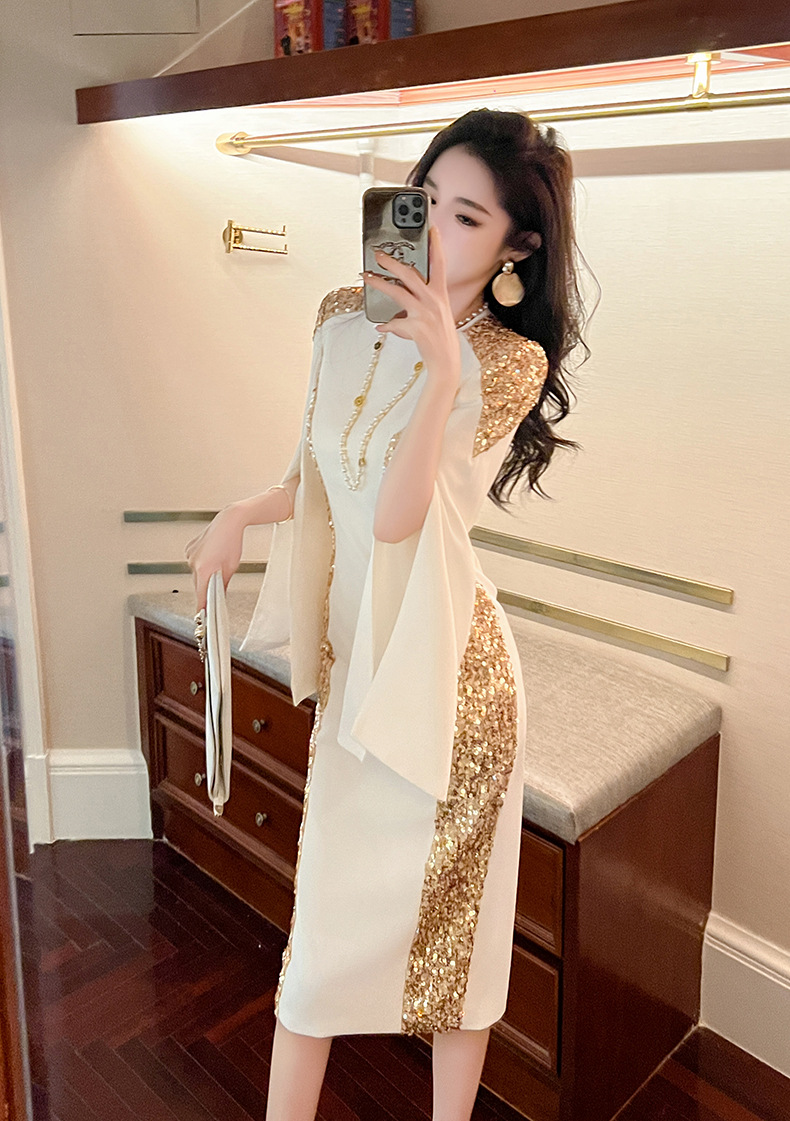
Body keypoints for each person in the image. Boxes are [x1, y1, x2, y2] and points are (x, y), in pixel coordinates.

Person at [185, 108, 591, 1121]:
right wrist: (238, 513)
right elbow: (318, 478)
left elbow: (400, 515)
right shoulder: (337, 316)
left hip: (452, 681)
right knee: (318, 948)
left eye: (467, 217)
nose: (436, 231)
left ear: (516, 248)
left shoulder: (506, 364)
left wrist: (443, 368)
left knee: (457, 948)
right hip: (360, 667)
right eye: (426, 200)